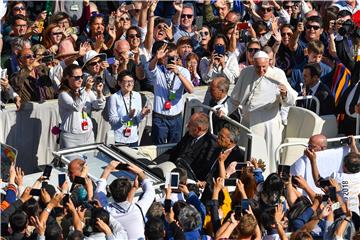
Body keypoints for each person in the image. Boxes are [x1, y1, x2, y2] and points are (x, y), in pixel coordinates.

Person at [218, 51, 297, 175]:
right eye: (257, 67)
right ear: (252, 63)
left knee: (268, 160)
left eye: (264, 67)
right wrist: (224, 110)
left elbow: (292, 99)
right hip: (248, 122)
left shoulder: (278, 74)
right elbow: (234, 100)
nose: (261, 70)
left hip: (268, 124)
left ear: (269, 63)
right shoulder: (246, 73)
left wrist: (285, 93)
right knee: (247, 158)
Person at [148, 41, 193, 145]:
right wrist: (156, 57)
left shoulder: (183, 71)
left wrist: (178, 73)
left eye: (174, 57)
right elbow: (150, 68)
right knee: (158, 147)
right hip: (160, 117)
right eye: (167, 57)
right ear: (163, 58)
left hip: (176, 117)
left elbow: (191, 90)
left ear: (177, 58)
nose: (171, 60)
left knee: (175, 146)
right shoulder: (158, 70)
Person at [95, 160, 155, 240]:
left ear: (111, 192)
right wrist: (140, 172)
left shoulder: (106, 211)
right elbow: (150, 191)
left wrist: (108, 169)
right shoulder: (139, 209)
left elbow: (98, 193)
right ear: (129, 192)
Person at [153, 112, 218, 181]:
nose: (187, 126)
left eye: (190, 125)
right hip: (172, 168)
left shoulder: (209, 145)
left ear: (198, 129)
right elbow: (174, 151)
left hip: (185, 178)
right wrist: (156, 162)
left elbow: (200, 170)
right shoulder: (189, 135)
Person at [58, 64, 105, 149]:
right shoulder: (63, 94)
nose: (80, 80)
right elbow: (77, 107)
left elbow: (99, 106)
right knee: (72, 161)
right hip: (71, 137)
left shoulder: (84, 91)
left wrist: (99, 92)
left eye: (81, 76)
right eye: (76, 77)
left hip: (88, 133)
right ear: (67, 77)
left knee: (89, 161)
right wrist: (87, 89)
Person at [108, 71, 151, 147]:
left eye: (131, 81)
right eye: (127, 81)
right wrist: (127, 117)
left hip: (133, 138)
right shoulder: (114, 97)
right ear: (119, 83)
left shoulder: (137, 95)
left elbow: (137, 120)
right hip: (119, 139)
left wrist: (142, 114)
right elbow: (112, 120)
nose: (130, 84)